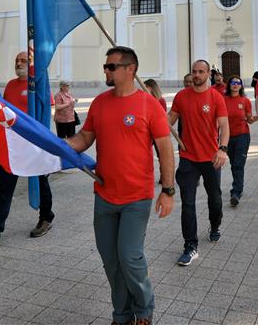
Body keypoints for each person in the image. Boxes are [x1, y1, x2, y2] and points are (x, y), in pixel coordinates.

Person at [65, 46, 174, 325]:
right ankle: (122, 315)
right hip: (104, 195)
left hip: (136, 197)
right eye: (106, 66)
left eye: (111, 66)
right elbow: (84, 138)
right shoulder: (100, 103)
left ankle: (144, 309)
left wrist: (168, 191)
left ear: (130, 69)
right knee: (111, 262)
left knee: (129, 257)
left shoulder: (148, 104)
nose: (106, 70)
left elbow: (165, 150)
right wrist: (56, 145)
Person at [0, 52, 55, 249]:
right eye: (17, 61)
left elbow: (47, 111)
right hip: (13, 146)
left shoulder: (38, 85)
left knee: (41, 183)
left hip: (34, 145)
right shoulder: (12, 86)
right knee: (3, 189)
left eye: (24, 60)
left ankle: (46, 217)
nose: (19, 63)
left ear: (31, 63)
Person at [168, 60, 229, 266]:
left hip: (211, 158)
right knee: (188, 202)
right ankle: (190, 245)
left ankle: (214, 225)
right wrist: (156, 116)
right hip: (188, 158)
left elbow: (224, 126)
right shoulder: (181, 97)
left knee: (215, 199)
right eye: (194, 71)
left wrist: (222, 149)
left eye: (201, 71)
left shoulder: (216, 98)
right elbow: (169, 120)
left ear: (208, 74)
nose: (196, 75)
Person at [222, 75, 258, 207]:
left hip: (242, 136)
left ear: (241, 85)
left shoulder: (245, 101)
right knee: (233, 164)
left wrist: (254, 119)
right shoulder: (223, 99)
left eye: (238, 83)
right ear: (229, 85)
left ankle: (236, 192)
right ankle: (239, 187)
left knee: (238, 164)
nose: (235, 85)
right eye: (233, 82)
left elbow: (249, 119)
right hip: (227, 137)